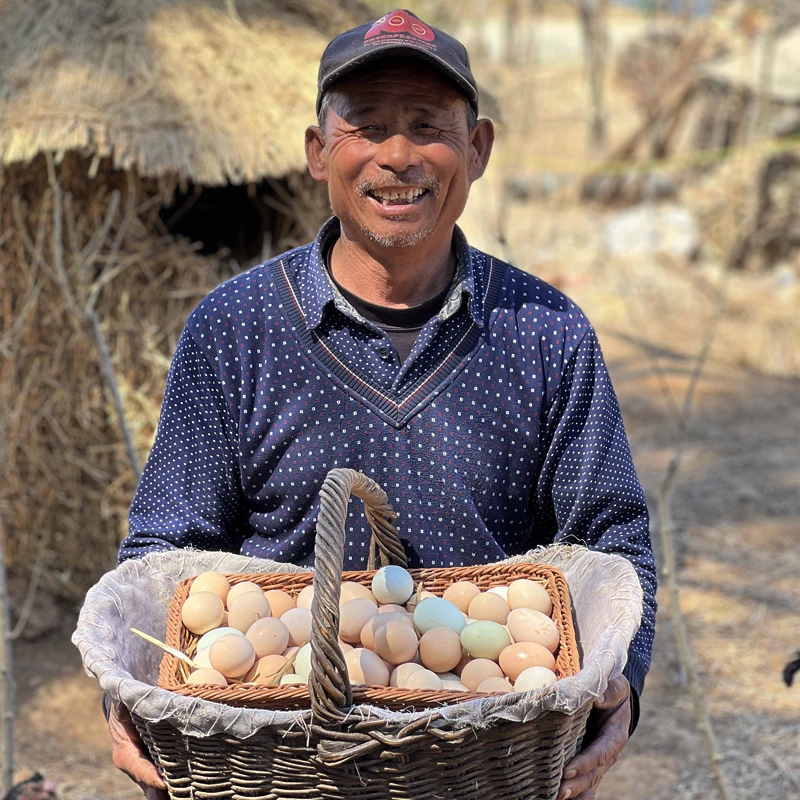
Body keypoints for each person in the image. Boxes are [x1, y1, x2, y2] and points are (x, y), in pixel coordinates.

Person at [108, 9, 656, 800]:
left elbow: (611, 540)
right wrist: (131, 692)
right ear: (317, 152)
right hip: (273, 762)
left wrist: (623, 683)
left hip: (484, 756)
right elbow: (169, 550)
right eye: (366, 127)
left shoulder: (546, 332)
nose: (397, 156)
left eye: (427, 126)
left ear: (478, 149)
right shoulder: (235, 327)